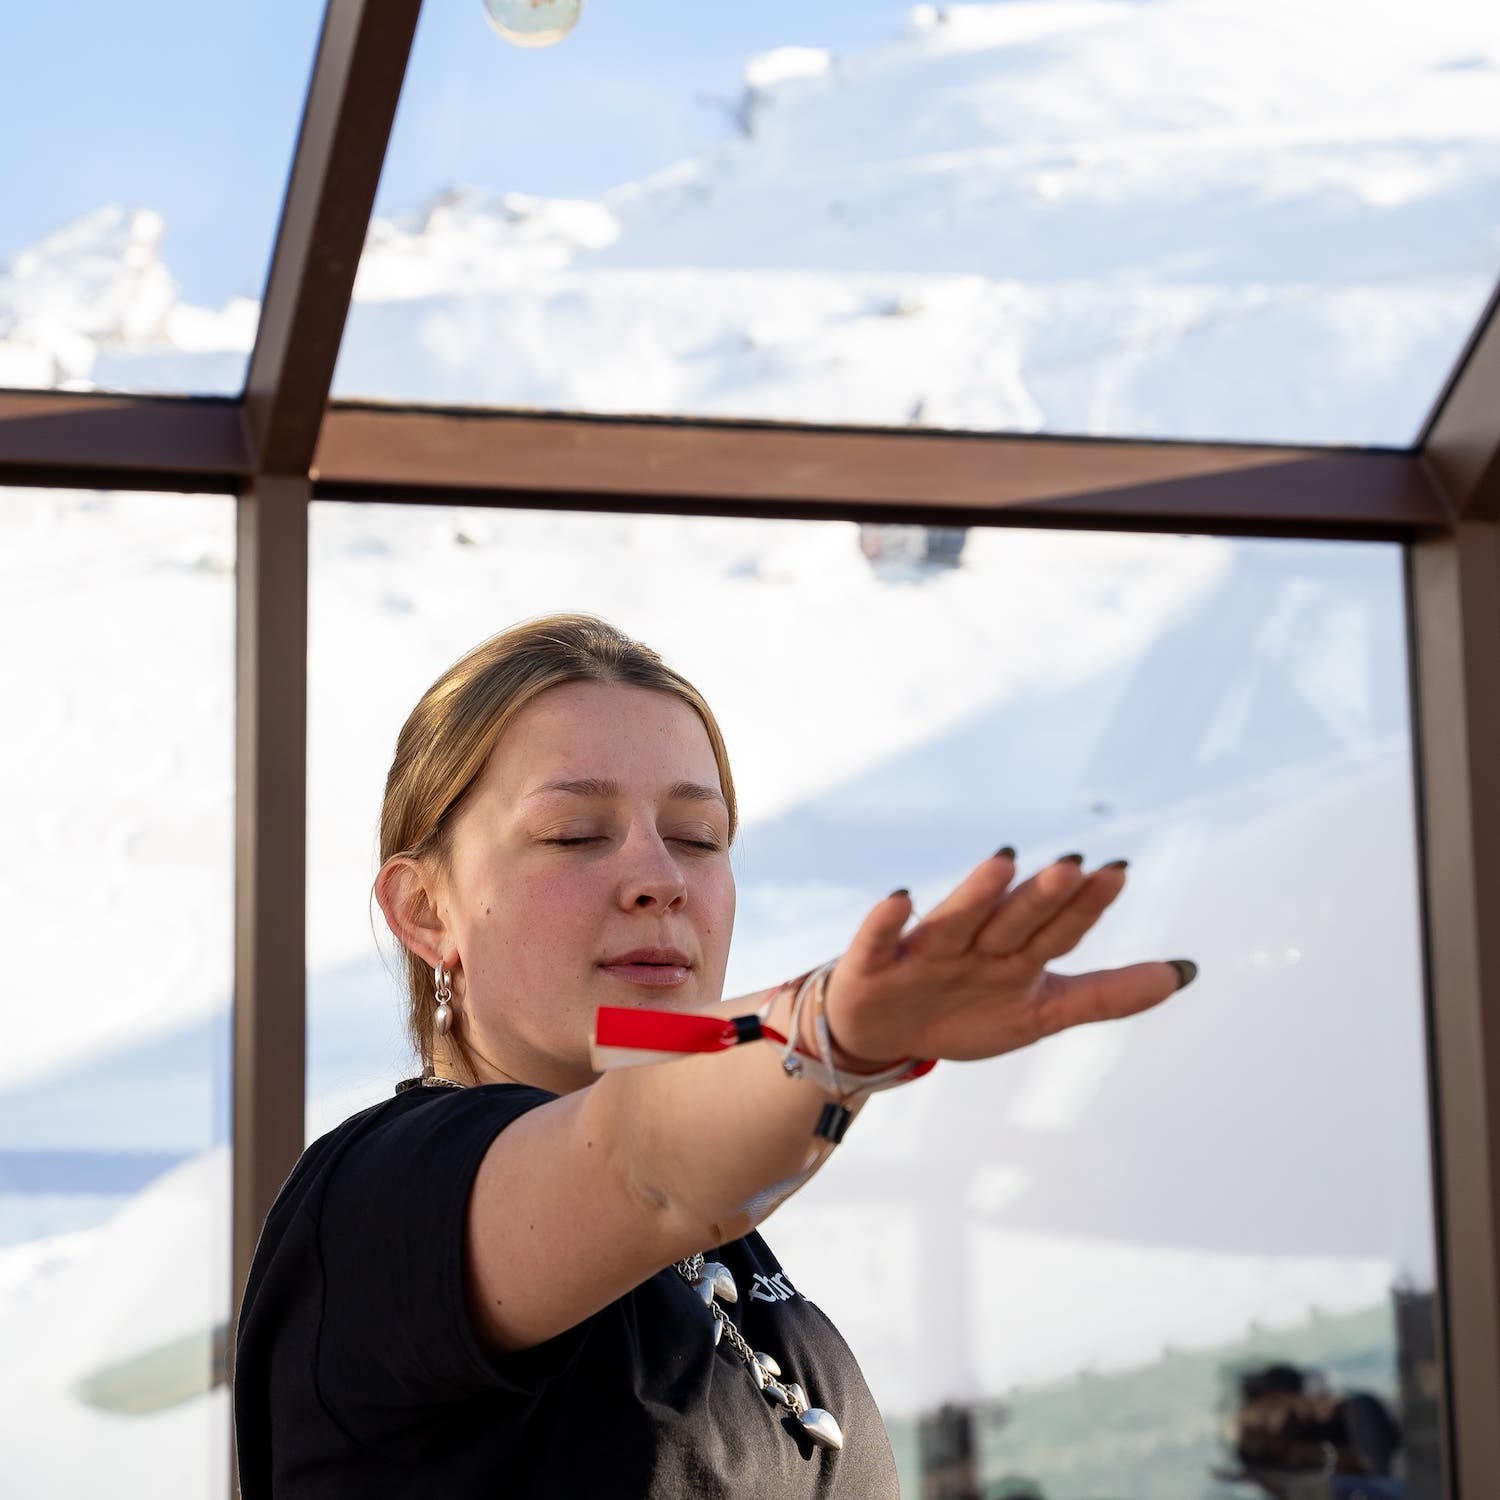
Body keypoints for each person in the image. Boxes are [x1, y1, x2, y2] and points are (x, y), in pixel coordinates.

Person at [233, 613, 1198, 1498]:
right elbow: (640, 1161)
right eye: (575, 834)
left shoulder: (724, 1246)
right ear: (424, 910)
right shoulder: (382, 1199)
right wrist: (832, 1035)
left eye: (698, 838)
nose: (659, 878)